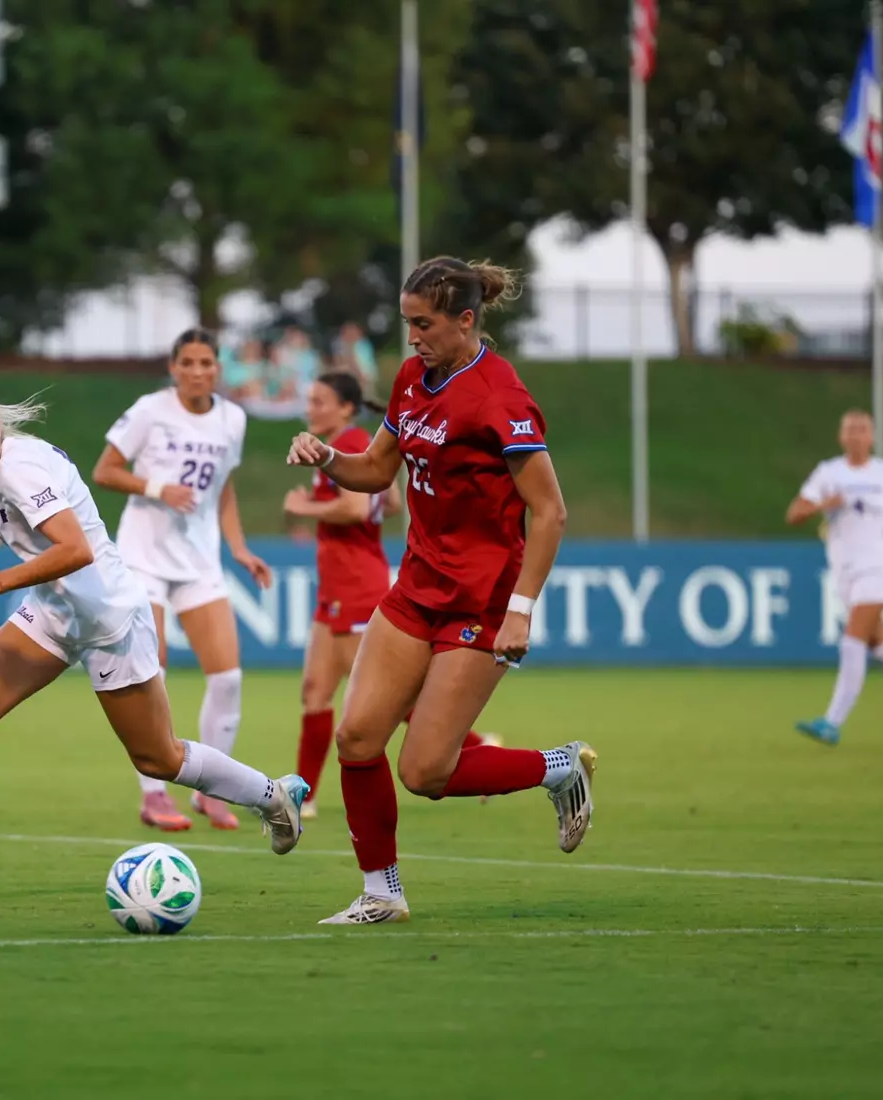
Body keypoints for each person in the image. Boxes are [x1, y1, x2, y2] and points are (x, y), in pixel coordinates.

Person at [0, 377, 308, 897]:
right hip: (55, 612)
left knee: (159, 759)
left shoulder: (21, 469)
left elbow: (76, 550)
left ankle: (273, 795)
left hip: (109, 619)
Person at [285, 256, 595, 926]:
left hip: (481, 602)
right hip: (416, 587)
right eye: (407, 323)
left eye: (424, 324)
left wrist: (521, 610)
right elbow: (376, 470)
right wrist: (327, 457)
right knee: (357, 738)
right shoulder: (411, 378)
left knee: (424, 772)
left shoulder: (500, 399)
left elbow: (550, 512)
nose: (413, 337)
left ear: (465, 320)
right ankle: (382, 894)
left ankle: (559, 768)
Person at [93, 329, 274, 833]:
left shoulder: (232, 419)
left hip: (199, 561)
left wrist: (239, 548)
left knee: (228, 677)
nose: (197, 371)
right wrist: (157, 487)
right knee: (150, 673)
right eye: (188, 362)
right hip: (143, 558)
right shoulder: (150, 410)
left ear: (218, 368)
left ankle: (212, 791)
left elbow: (223, 489)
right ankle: (153, 795)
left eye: (206, 363)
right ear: (173, 368)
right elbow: (105, 470)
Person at [281, 372, 399, 817]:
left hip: (357, 586)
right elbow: (391, 503)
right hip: (335, 589)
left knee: (379, 695)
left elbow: (354, 508)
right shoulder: (357, 446)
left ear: (346, 408)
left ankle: (476, 746)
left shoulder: (349, 443)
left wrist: (304, 507)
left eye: (320, 401)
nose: (311, 408)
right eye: (309, 400)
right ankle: (302, 798)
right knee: (315, 690)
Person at [786, 409, 883, 744]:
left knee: (852, 640)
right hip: (844, 569)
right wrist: (823, 505)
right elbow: (794, 514)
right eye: (850, 429)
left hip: (878, 565)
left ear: (872, 437)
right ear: (841, 436)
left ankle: (832, 723)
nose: (856, 434)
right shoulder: (828, 473)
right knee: (881, 647)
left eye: (862, 429)